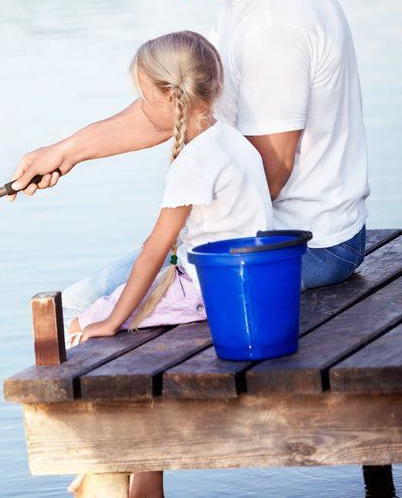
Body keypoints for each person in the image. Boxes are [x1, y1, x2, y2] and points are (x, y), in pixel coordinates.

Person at [10, 0, 369, 321]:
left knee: (74, 310)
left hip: (307, 245)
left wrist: (172, 238)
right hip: (273, 230)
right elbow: (173, 108)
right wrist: (67, 151)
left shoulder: (274, 24)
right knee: (88, 301)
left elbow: (268, 174)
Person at [64, 30, 273, 498]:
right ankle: (141, 477)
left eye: (142, 97)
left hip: (207, 294)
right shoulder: (233, 142)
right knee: (107, 333)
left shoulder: (193, 163)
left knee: (79, 330)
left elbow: (155, 250)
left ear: (168, 97)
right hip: (247, 287)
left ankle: (106, 476)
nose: (141, 107)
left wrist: (113, 321)